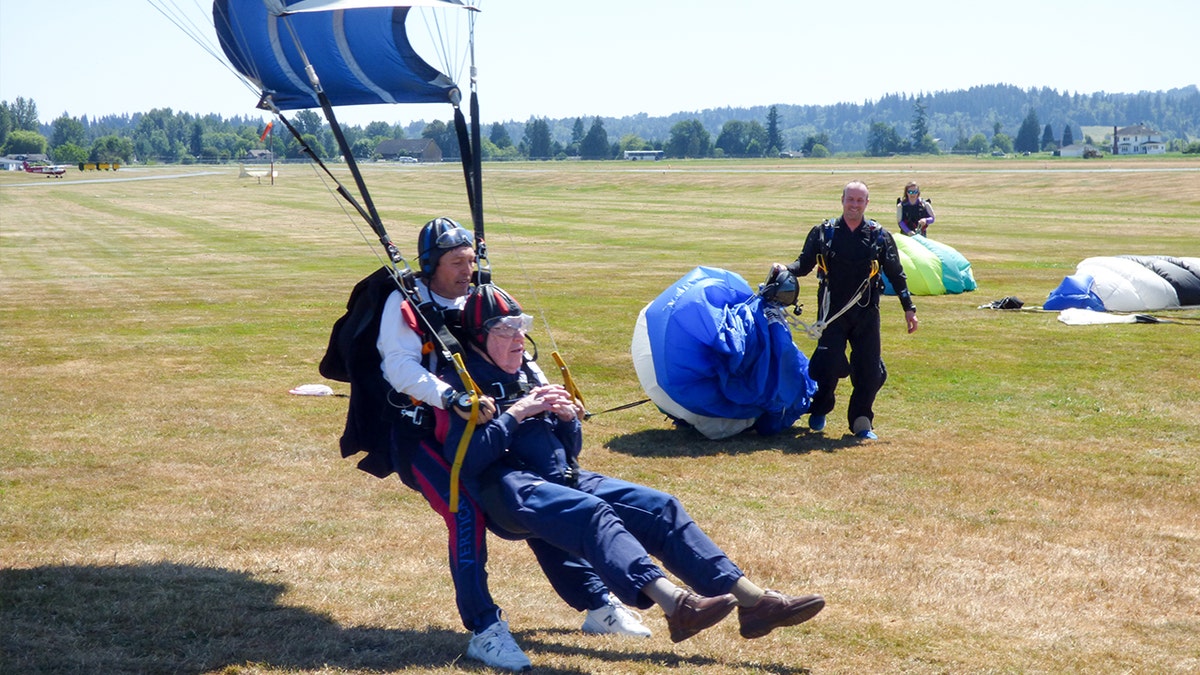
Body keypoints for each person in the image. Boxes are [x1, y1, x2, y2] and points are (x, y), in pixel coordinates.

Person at [325, 218, 649, 673]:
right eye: (456, 263)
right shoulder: (406, 303)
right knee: (465, 512)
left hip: (489, 430)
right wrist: (452, 396)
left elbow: (516, 352)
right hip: (422, 438)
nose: (466, 270)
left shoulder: (480, 298)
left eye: (470, 260)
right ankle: (484, 629)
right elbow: (399, 368)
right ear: (431, 265)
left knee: (540, 499)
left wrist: (545, 392)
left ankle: (597, 604)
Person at [438, 284, 827, 647]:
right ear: (478, 338)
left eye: (522, 328)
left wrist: (567, 420)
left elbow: (568, 452)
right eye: (506, 331)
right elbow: (466, 459)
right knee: (592, 513)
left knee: (661, 507)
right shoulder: (465, 382)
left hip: (560, 478)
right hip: (511, 489)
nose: (518, 339)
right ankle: (677, 605)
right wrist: (517, 414)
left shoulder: (525, 370)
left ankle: (754, 602)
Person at [775, 181, 918, 440]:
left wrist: (909, 309)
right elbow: (803, 264)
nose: (854, 205)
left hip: (866, 313)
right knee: (827, 365)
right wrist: (784, 269)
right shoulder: (823, 233)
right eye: (850, 199)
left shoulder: (879, 236)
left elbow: (896, 274)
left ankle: (862, 422)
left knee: (869, 370)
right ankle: (820, 408)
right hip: (831, 315)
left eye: (859, 200)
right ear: (842, 200)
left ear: (867, 203)